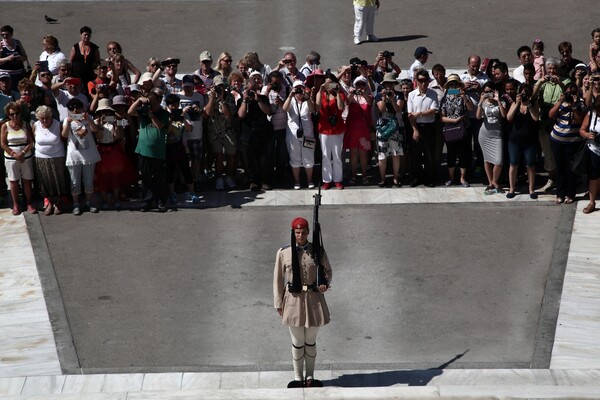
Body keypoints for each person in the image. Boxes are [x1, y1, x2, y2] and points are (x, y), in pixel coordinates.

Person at [273, 217, 332, 388]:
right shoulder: (283, 252)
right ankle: (298, 377)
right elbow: (278, 279)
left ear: (308, 233)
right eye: (297, 233)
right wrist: (278, 303)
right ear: (293, 233)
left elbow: (328, 270)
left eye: (303, 232)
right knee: (297, 341)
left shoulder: (317, 250)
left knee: (311, 341)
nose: (300, 236)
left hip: (313, 298)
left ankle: (310, 377)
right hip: (293, 300)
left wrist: (324, 283)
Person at [129, 89, 170, 212]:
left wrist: (151, 114)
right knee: (146, 178)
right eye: (149, 103)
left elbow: (160, 126)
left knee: (158, 178)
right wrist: (139, 101)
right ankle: (146, 201)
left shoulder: (164, 113)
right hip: (143, 150)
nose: (150, 105)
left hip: (158, 151)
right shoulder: (143, 112)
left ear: (159, 101)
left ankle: (160, 201)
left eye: (153, 102)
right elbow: (130, 112)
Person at [93, 98, 136, 209]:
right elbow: (98, 137)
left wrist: (117, 123)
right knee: (102, 176)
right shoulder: (95, 122)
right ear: (99, 112)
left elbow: (118, 136)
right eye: (103, 112)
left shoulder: (116, 121)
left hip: (114, 150)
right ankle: (104, 200)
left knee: (115, 176)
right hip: (101, 150)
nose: (105, 114)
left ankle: (116, 198)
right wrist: (101, 125)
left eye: (107, 112)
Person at [61, 98, 101, 215]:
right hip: (74, 154)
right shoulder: (66, 120)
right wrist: (68, 123)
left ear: (82, 108)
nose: (75, 110)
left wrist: (88, 119)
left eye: (77, 107)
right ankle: (76, 204)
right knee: (74, 181)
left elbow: (95, 130)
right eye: (72, 108)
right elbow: (64, 135)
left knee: (89, 181)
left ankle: (89, 202)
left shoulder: (87, 118)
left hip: (88, 154)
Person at [534, 58, 567, 193]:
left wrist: (560, 84)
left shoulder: (565, 81)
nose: (552, 71)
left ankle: (563, 178)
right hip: (545, 120)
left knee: (560, 152)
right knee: (547, 151)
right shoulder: (543, 83)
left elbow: (569, 94)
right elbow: (532, 97)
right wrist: (539, 83)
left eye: (554, 68)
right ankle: (551, 178)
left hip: (560, 120)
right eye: (550, 69)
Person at [548, 83, 585, 204]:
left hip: (573, 141)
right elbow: (551, 115)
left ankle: (570, 194)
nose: (571, 95)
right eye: (568, 92)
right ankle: (560, 194)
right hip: (557, 139)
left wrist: (574, 106)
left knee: (571, 169)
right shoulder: (561, 102)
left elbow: (580, 120)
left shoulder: (580, 103)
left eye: (573, 92)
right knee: (560, 167)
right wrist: (560, 102)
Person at [32, 105, 69, 215]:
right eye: (42, 118)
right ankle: (49, 203)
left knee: (58, 181)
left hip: (57, 157)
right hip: (41, 158)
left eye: (47, 118)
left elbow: (64, 139)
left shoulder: (58, 124)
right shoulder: (35, 125)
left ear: (51, 116)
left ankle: (57, 203)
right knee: (45, 182)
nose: (44, 120)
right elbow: (34, 139)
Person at [1, 102, 36, 215]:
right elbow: (3, 143)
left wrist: (22, 152)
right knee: (13, 181)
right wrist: (13, 154)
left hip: (26, 157)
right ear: (8, 115)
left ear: (20, 113)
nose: (14, 116)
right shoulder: (4, 126)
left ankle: (29, 203)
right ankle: (16, 204)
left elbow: (31, 142)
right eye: (11, 114)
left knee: (27, 180)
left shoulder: (25, 125)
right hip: (11, 159)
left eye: (16, 113)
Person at [506, 84, 540, 199]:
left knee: (530, 165)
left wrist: (529, 105)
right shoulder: (515, 103)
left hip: (530, 141)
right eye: (523, 94)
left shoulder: (534, 104)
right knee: (513, 164)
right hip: (515, 140)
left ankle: (531, 189)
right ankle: (512, 188)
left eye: (527, 94)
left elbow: (536, 118)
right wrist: (517, 104)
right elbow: (509, 117)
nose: (525, 96)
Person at [440, 74, 473, 187]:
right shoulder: (445, 98)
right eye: (451, 84)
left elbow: (470, 108)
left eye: (456, 84)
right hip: (450, 127)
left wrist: (464, 96)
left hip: (462, 128)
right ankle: (451, 177)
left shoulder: (463, 96)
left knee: (463, 154)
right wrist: (454, 120)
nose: (453, 86)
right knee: (451, 154)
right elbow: (442, 117)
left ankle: (462, 178)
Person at [407, 69, 439, 187]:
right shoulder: (411, 95)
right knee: (415, 154)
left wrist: (419, 114)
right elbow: (410, 115)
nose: (423, 83)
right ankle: (416, 177)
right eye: (420, 80)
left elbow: (433, 110)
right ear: (416, 81)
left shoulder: (433, 94)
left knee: (429, 154)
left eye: (425, 80)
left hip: (429, 127)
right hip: (416, 126)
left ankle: (428, 178)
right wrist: (415, 130)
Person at [205, 75, 237, 190]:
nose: (220, 88)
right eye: (218, 86)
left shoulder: (229, 97)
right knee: (218, 155)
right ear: (214, 86)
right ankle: (218, 178)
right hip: (215, 130)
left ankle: (228, 176)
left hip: (227, 129)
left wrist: (222, 100)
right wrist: (212, 98)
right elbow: (207, 113)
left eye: (222, 86)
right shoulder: (209, 96)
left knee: (231, 154)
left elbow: (229, 115)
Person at [283, 81, 316, 190]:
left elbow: (312, 110)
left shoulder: (307, 100)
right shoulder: (291, 100)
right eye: (296, 89)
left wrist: (307, 98)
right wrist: (290, 95)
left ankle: (309, 180)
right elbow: (285, 109)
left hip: (308, 134)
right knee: (295, 158)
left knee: (309, 158)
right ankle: (297, 181)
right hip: (293, 134)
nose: (298, 92)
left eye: (300, 89)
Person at [315, 74, 346, 189]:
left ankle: (338, 179)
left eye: (331, 83)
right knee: (326, 156)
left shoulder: (340, 94)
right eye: (327, 83)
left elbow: (340, 107)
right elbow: (317, 107)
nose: (329, 86)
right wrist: (320, 90)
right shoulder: (321, 94)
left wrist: (337, 92)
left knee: (337, 156)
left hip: (337, 128)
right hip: (324, 129)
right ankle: (327, 179)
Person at [476, 82, 507, 194]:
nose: (488, 94)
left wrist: (498, 100)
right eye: (486, 92)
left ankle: (494, 181)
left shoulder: (501, 101)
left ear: (495, 91)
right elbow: (478, 116)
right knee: (487, 160)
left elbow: (504, 115)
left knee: (498, 161)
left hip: (497, 135)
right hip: (485, 134)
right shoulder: (483, 102)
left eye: (490, 91)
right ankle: (491, 183)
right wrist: (480, 101)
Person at [375, 72, 404, 187]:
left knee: (396, 154)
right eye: (387, 84)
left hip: (395, 128)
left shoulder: (399, 95)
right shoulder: (378, 95)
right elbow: (381, 109)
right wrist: (383, 97)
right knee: (382, 155)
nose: (389, 86)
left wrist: (392, 99)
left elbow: (398, 109)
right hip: (383, 128)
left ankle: (395, 178)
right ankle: (382, 178)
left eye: (391, 84)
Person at [345, 75, 373, 185]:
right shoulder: (352, 95)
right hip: (352, 127)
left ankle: (364, 175)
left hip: (364, 128)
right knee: (353, 153)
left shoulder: (368, 95)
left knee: (363, 153)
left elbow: (370, 102)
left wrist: (364, 93)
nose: (360, 86)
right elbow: (346, 102)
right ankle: (353, 175)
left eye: (363, 84)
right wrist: (352, 93)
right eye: (358, 84)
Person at [579, 96, 600, 214]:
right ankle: (592, 202)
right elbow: (582, 129)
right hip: (594, 150)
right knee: (593, 177)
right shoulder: (591, 114)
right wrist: (587, 135)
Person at [69, 26, 101, 95]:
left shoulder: (95, 48)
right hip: (77, 75)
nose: (86, 37)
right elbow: (71, 61)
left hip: (90, 75)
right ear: (81, 35)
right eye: (85, 35)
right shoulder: (75, 47)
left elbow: (98, 62)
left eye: (88, 35)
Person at [0, 25, 29, 90]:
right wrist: (7, 59)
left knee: (19, 92)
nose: (5, 36)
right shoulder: (1, 44)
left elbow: (25, 57)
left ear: (11, 34)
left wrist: (20, 58)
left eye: (7, 34)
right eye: (2, 35)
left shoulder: (17, 43)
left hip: (19, 75)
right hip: (5, 76)